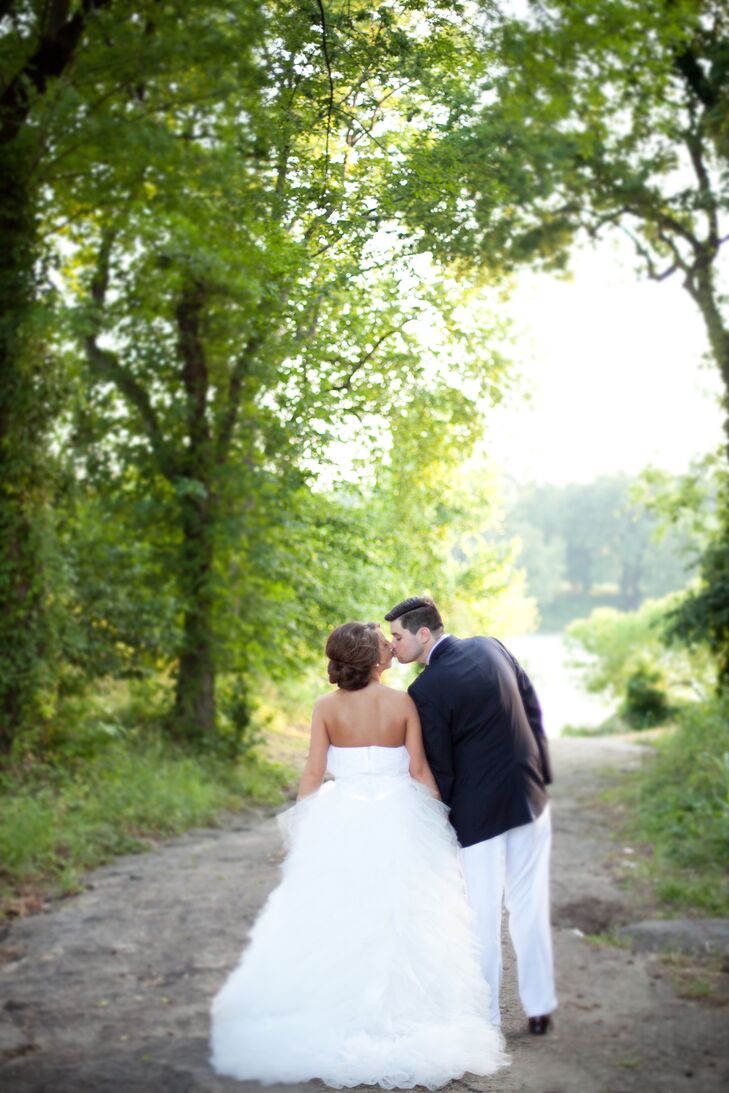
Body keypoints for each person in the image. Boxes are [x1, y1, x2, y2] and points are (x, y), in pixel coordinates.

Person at [210, 621, 508, 1089]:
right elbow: (419, 770)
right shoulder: (402, 703)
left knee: (341, 917)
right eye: (382, 645)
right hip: (399, 818)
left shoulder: (325, 707)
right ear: (372, 661)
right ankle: (405, 1015)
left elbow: (312, 775)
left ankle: (338, 1015)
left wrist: (304, 831)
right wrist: (439, 829)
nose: (391, 648)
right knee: (404, 919)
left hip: (341, 818)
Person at [385, 596, 557, 1035]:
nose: (393, 645)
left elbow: (439, 766)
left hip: (479, 817)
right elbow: (531, 706)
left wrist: (436, 823)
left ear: (424, 634)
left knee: (482, 916)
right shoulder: (491, 645)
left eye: (398, 636)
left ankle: (487, 1022)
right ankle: (539, 1010)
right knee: (529, 907)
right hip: (531, 797)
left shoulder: (424, 690)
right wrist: (543, 772)